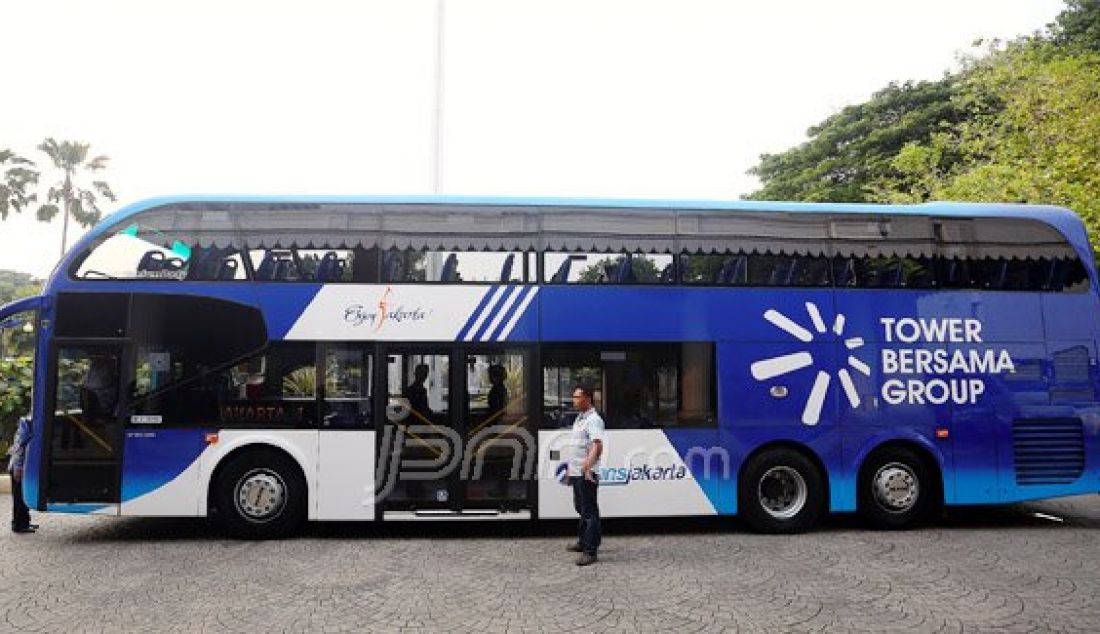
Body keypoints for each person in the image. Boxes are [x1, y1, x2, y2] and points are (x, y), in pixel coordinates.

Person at [565, 385, 604, 566]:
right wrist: (570, 470)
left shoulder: (594, 420)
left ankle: (590, 551)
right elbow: (576, 447)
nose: (573, 399)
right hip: (577, 472)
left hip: (587, 474)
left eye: (577, 396)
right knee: (580, 508)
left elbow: (597, 445)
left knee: (589, 511)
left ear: (587, 398)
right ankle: (583, 542)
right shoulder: (580, 419)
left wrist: (588, 466)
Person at [8, 414, 36, 534]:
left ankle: (24, 522)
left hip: (21, 465)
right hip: (18, 467)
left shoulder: (28, 422)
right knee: (19, 498)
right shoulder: (28, 423)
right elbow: (20, 446)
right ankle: (19, 525)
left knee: (21, 496)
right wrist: (18, 467)